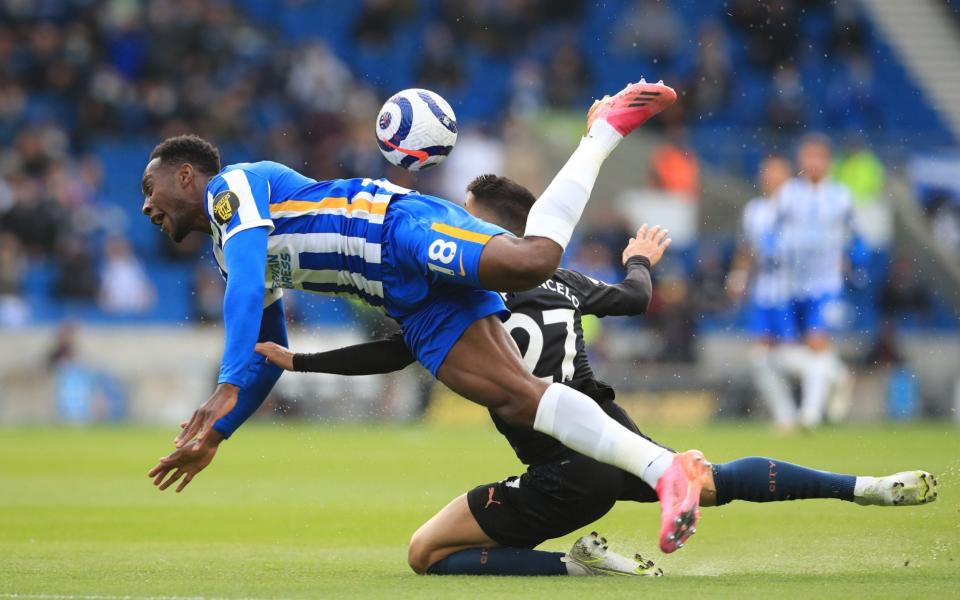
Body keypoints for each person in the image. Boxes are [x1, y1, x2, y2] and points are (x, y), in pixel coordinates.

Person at [257, 174, 940, 577]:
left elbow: (396, 351)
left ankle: (571, 564)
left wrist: (304, 361)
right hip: (615, 434)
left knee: (425, 553)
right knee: (707, 476)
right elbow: (638, 299)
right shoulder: (561, 274)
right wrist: (639, 258)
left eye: (463, 217)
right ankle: (865, 487)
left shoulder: (454, 292)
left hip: (563, 467)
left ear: (478, 227)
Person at [143, 81, 711, 554]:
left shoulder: (232, 187)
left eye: (152, 188)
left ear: (187, 177)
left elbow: (245, 287)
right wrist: (219, 431)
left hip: (397, 229)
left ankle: (602, 132)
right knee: (518, 396)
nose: (146, 204)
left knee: (534, 261)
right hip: (407, 302)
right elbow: (266, 357)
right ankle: (666, 472)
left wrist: (224, 386)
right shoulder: (226, 253)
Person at [777, 135, 855, 428]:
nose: (813, 163)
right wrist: (776, 252)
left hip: (825, 283)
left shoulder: (840, 196)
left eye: (819, 157)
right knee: (789, 351)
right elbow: (774, 232)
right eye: (808, 156)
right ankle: (838, 376)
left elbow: (855, 236)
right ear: (801, 161)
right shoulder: (789, 194)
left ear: (828, 161)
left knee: (816, 342)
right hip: (793, 284)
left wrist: (852, 258)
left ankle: (809, 414)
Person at [727, 156, 797, 430]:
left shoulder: (798, 206)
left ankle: (832, 374)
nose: (768, 177)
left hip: (793, 292)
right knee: (759, 358)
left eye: (775, 172)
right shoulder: (754, 210)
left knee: (791, 358)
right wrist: (738, 277)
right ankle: (786, 417)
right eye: (765, 172)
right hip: (764, 293)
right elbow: (747, 249)